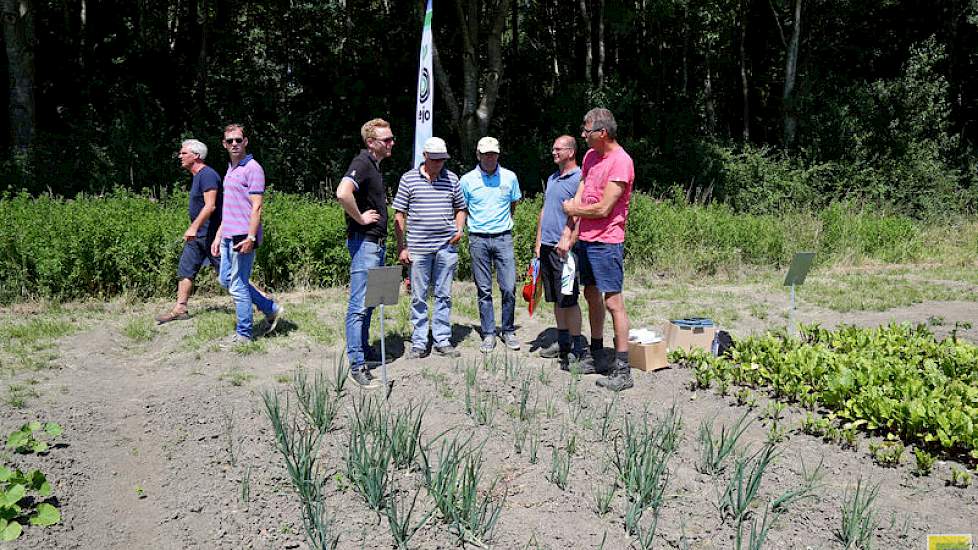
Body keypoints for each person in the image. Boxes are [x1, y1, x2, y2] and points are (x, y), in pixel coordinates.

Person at [562, 108, 635, 391]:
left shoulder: (621, 162)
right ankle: (597, 354)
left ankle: (623, 368)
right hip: (587, 239)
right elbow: (581, 193)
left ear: (602, 133)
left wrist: (573, 209)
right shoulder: (591, 157)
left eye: (587, 131)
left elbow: (604, 208)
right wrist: (570, 230)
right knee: (590, 294)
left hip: (608, 241)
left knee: (613, 302)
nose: (583, 135)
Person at [209, 123, 284, 346]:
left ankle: (244, 335)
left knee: (238, 285)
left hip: (243, 236)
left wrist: (251, 237)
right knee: (226, 280)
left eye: (238, 140)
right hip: (228, 235)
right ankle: (270, 308)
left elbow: (256, 207)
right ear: (224, 144)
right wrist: (219, 235)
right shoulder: (231, 169)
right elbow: (230, 206)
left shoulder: (253, 168)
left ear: (245, 142)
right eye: (230, 141)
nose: (234, 144)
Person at [393, 137, 466, 359]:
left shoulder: (452, 179)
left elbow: (461, 208)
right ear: (425, 156)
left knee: (444, 294)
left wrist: (459, 229)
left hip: (446, 246)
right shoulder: (408, 179)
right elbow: (399, 214)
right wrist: (401, 247)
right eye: (434, 159)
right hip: (418, 247)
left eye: (442, 159)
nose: (438, 163)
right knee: (418, 296)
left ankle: (442, 339)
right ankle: (419, 341)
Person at [336, 118, 395, 388]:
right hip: (365, 243)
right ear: (371, 143)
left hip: (375, 244)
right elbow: (342, 192)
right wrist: (360, 219)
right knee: (359, 305)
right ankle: (357, 364)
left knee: (370, 302)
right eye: (387, 140)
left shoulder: (373, 166)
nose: (392, 143)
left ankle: (365, 350)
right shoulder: (362, 163)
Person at [459, 136, 522, 353]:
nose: (489, 158)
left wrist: (504, 223)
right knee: (484, 289)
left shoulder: (510, 177)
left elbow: (513, 203)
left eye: (493, 154)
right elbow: (462, 209)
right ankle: (488, 333)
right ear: (478, 155)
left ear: (498, 154)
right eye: (485, 154)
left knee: (509, 287)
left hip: (503, 236)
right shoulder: (466, 180)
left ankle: (508, 330)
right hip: (478, 239)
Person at [155, 139, 223, 324]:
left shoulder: (208, 175)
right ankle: (180, 308)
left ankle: (262, 301)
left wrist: (193, 227)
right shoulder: (197, 176)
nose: (180, 156)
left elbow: (210, 206)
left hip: (212, 236)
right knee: (186, 269)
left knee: (229, 275)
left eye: (184, 153)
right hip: (197, 237)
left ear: (196, 156)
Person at [533, 135, 587, 364]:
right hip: (547, 247)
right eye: (553, 148)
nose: (553, 152)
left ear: (571, 152)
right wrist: (538, 242)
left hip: (564, 249)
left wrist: (569, 242)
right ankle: (562, 342)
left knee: (570, 298)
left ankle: (577, 345)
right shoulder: (553, 178)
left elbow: (580, 214)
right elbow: (545, 210)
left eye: (558, 149)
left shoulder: (581, 178)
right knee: (555, 297)